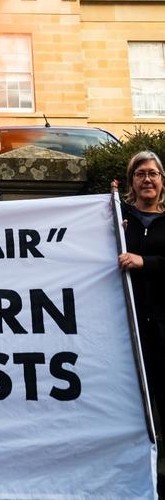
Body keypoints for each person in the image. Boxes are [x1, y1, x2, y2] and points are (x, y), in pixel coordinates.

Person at [117, 151, 165, 428]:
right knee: (132, 402)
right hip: (129, 326)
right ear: (131, 182)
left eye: (153, 173)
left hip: (162, 324)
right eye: (140, 174)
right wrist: (112, 234)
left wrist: (143, 261)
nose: (147, 179)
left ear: (161, 180)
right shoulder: (119, 218)